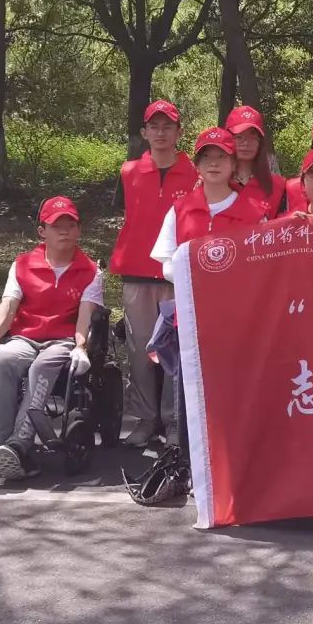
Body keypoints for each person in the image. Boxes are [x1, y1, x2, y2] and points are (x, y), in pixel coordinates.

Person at [147, 127, 269, 444]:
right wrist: (198, 276)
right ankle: (189, 456)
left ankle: (236, 454)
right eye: (207, 157)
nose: (214, 164)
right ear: (197, 165)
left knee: (233, 389)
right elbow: (166, 262)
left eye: (221, 157)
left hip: (237, 319)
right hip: (190, 315)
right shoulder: (179, 209)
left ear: (233, 164)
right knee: (190, 388)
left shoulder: (253, 212)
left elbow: (262, 266)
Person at [0, 197, 103, 480]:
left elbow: (86, 314)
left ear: (79, 230)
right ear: (42, 231)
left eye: (71, 225)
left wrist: (81, 346)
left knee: (41, 367)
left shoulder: (91, 271)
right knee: (3, 362)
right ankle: (7, 446)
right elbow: (8, 307)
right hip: (25, 337)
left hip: (62, 341)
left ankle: (17, 445)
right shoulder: (22, 265)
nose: (64, 230)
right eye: (57, 226)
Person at [109, 99, 197, 448]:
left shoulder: (195, 173)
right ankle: (146, 420)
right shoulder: (129, 171)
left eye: (168, 127)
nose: (161, 133)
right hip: (136, 273)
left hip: (178, 276)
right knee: (140, 351)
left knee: (176, 351)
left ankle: (175, 421)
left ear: (179, 132)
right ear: (144, 132)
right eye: (154, 127)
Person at [225, 105, 286, 217]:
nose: (246, 143)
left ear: (260, 142)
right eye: (239, 137)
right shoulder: (214, 182)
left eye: (253, 137)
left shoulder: (277, 186)